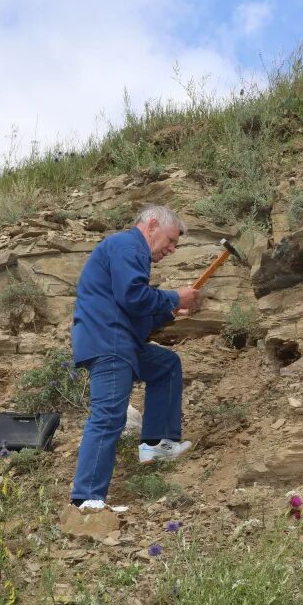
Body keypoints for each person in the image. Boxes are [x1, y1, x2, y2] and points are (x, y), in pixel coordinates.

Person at [69, 204, 201, 510]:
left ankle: (157, 445)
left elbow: (134, 312)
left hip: (119, 340)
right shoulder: (128, 245)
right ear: (152, 225)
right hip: (109, 343)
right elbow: (133, 296)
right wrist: (174, 297)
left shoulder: (127, 252)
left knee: (165, 365)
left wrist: (169, 311)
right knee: (108, 417)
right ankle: (86, 500)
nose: (171, 249)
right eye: (170, 240)